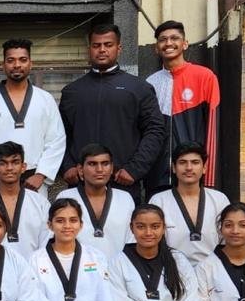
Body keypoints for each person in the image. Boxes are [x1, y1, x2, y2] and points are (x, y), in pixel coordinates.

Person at [59, 24, 165, 204]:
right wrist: (67, 166)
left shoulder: (139, 88)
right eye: (96, 45)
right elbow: (59, 135)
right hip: (80, 185)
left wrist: (135, 169)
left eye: (108, 45)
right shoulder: (72, 91)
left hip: (123, 182)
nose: (102, 50)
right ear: (89, 49)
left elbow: (155, 130)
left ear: (119, 48)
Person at [0, 39, 65, 197]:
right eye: (11, 60)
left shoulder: (45, 99)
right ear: (3, 65)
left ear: (30, 64)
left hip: (33, 182)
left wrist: (41, 175)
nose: (17, 65)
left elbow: (56, 140)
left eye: (22, 60)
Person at [146, 20, 221, 198]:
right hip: (158, 176)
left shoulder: (205, 77)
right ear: (156, 48)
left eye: (174, 38)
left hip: (192, 174)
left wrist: (208, 178)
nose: (168, 43)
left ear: (185, 44)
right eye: (163, 39)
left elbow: (213, 128)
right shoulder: (150, 83)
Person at [148, 142, 229, 266]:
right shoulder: (159, 200)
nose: (189, 168)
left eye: (195, 162)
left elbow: (228, 240)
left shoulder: (219, 199)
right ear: (174, 168)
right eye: (182, 162)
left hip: (213, 270)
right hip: (172, 270)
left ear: (204, 167)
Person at [0, 141, 51, 256]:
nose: (9, 168)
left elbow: (48, 241)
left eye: (15, 162)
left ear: (23, 167)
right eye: (3, 163)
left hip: (34, 265)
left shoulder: (41, 203)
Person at [56, 143, 136, 259]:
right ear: (80, 169)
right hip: (75, 267)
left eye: (105, 164)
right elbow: (57, 238)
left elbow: (132, 241)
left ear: (112, 168)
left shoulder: (125, 198)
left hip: (117, 268)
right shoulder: (66, 197)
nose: (99, 169)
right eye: (92, 164)